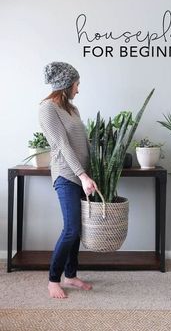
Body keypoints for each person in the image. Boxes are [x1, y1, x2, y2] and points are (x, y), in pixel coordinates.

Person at [39, 62, 97, 299]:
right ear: (65, 85)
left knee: (77, 230)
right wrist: (82, 176)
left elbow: (84, 143)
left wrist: (92, 175)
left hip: (82, 176)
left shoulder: (73, 110)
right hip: (66, 175)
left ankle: (70, 275)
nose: (78, 89)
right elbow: (62, 145)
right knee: (71, 229)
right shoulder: (47, 109)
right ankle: (53, 279)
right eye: (76, 84)